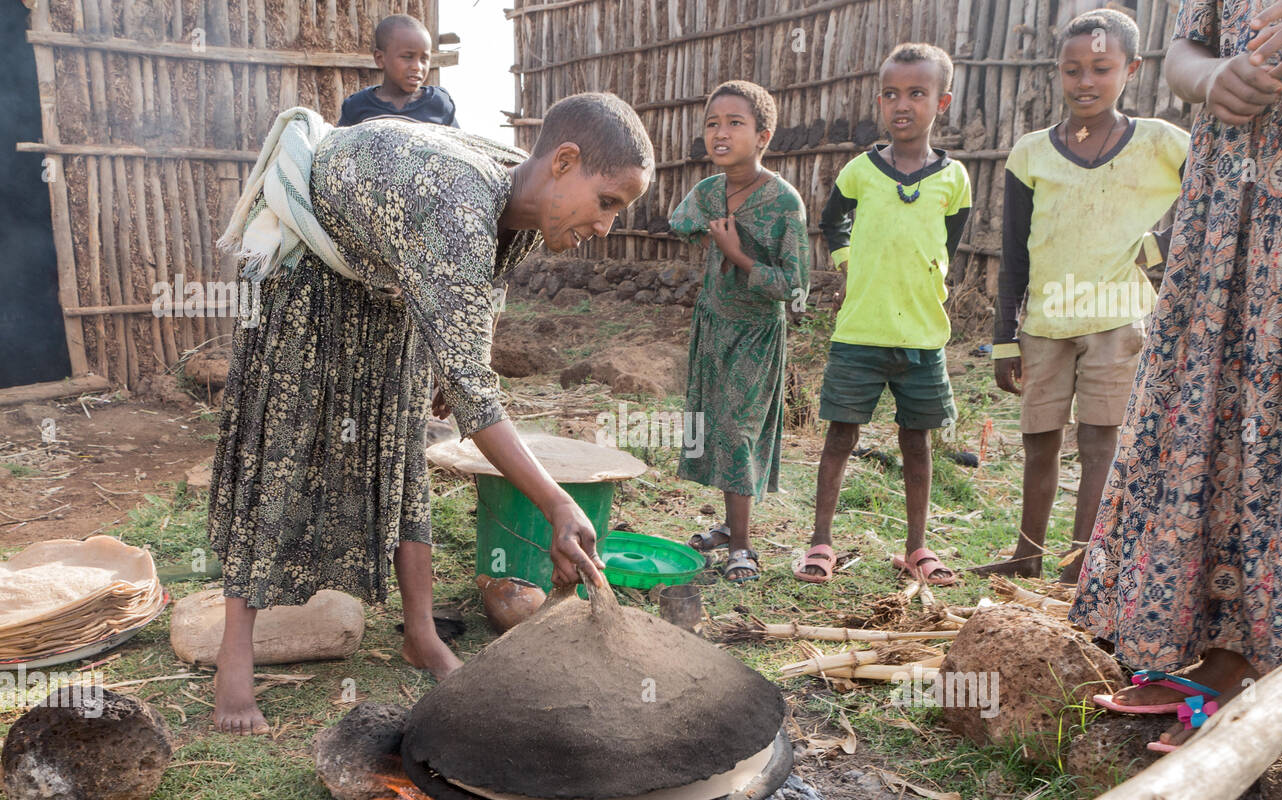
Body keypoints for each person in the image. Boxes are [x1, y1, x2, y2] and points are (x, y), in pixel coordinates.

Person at [208, 92, 654, 733]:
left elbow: (482, 286)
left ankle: (421, 635)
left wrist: (459, 357)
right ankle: (235, 655)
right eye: (607, 201)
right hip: (310, 273)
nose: (607, 226)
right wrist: (556, 502)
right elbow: (476, 391)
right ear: (564, 161)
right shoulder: (457, 206)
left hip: (386, 275)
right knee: (284, 450)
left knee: (397, 444)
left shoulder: (528, 204)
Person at [1072, 0, 1282, 753]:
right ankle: (1225, 654)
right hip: (1228, 200)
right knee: (1221, 404)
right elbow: (1184, 47)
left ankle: (1279, 672)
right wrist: (1213, 78)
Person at [978, 8, 1190, 585]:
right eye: (1072, 70)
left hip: (1118, 323)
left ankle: (1080, 565)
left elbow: (1216, 193)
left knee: (1100, 442)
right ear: (1058, 73)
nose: (1086, 81)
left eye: (1101, 67)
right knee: (1039, 440)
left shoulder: (1162, 143)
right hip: (1044, 325)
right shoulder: (1031, 152)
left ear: (1132, 70)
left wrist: (1157, 250)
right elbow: (1015, 251)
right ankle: (1027, 553)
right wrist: (1003, 337)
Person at [795, 43, 971, 586]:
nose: (903, 105)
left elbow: (951, 238)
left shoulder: (954, 178)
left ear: (940, 102)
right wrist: (848, 264)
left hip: (921, 336)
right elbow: (832, 221)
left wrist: (934, 276)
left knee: (916, 441)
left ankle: (917, 548)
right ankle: (821, 541)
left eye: (917, 94)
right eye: (892, 94)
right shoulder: (861, 171)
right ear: (879, 100)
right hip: (860, 333)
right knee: (839, 436)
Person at [670, 80, 810, 584]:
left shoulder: (783, 202)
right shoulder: (708, 192)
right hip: (712, 325)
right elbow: (678, 220)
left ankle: (744, 546)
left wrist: (737, 255)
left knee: (738, 433)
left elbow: (796, 288)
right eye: (712, 124)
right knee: (712, 429)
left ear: (763, 136)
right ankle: (731, 528)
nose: (720, 133)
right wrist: (703, 218)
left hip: (755, 333)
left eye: (735, 123)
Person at [338, 14, 458, 128]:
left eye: (424, 58)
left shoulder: (438, 104)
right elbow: (341, 147)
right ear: (380, 59)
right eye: (407, 57)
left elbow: (457, 146)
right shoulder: (357, 105)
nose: (417, 67)